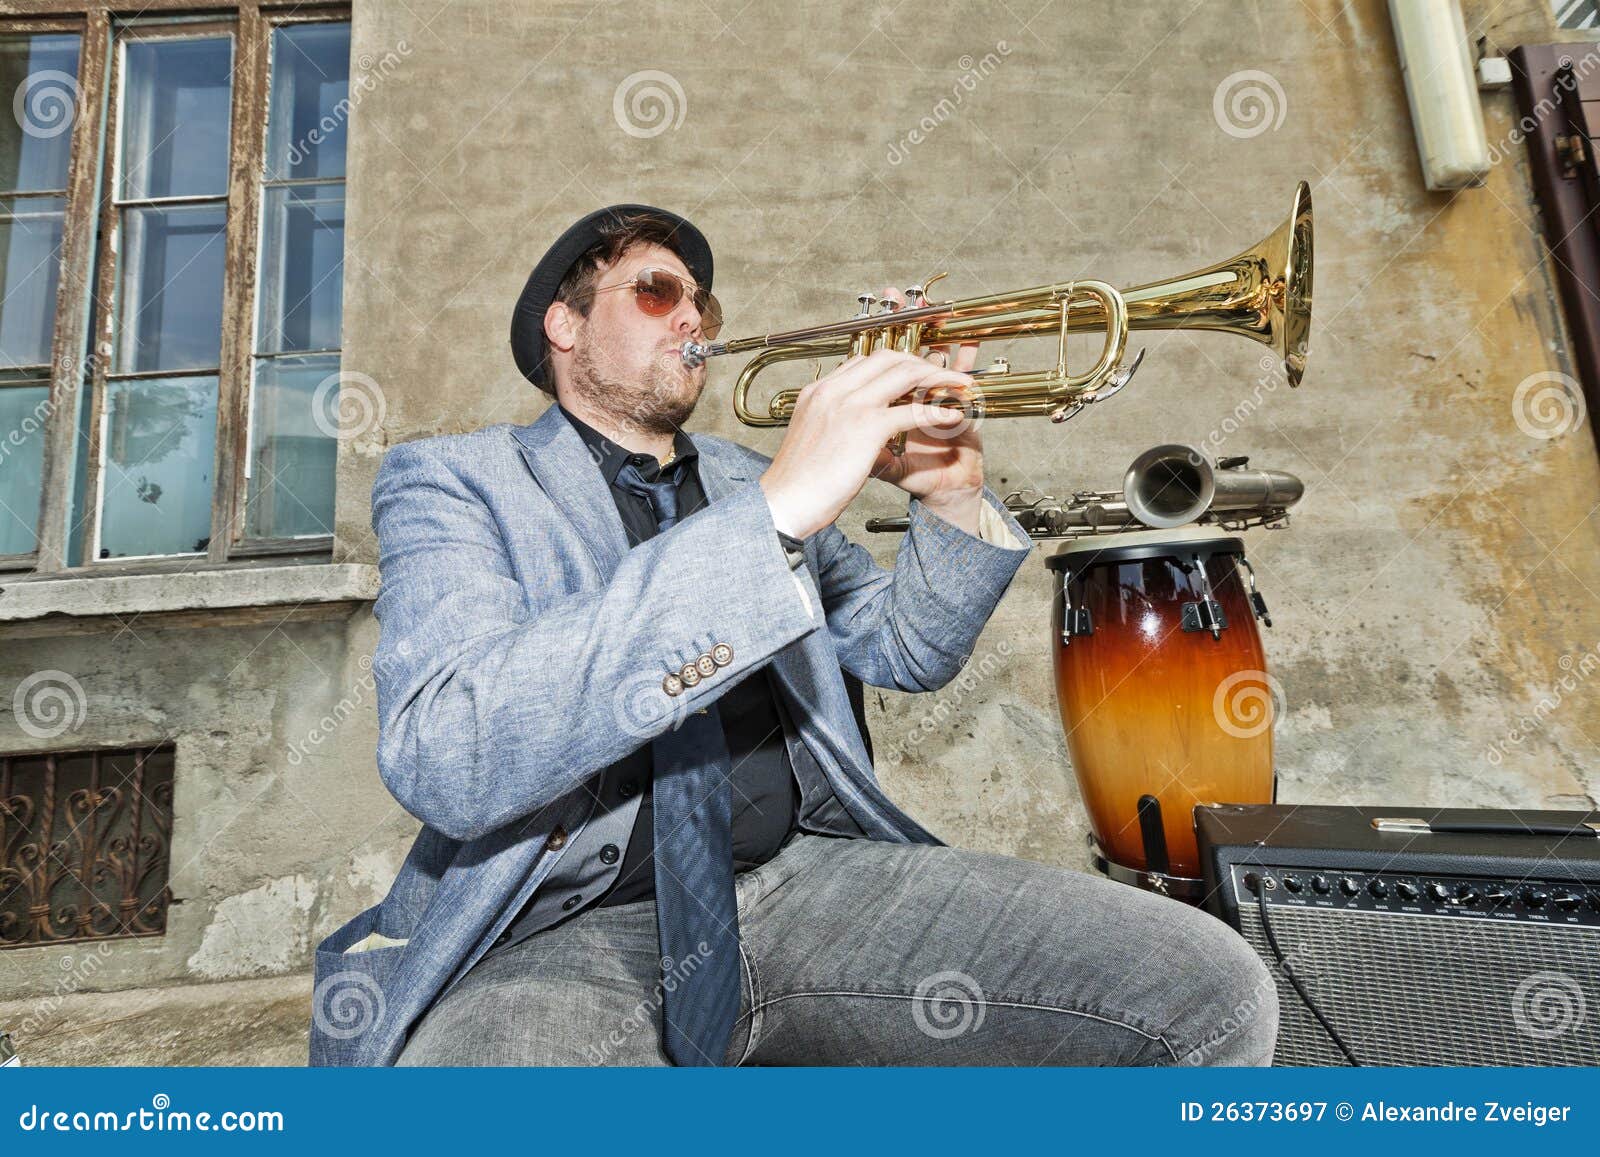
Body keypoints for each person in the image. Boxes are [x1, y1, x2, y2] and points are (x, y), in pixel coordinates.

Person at [308, 203, 1279, 1067]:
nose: (692, 317)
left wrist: (952, 495)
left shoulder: (747, 476)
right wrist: (771, 519)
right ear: (563, 325)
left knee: (1211, 989)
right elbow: (449, 755)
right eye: (656, 291)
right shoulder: (458, 478)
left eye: (701, 302)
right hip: (563, 921)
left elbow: (907, 650)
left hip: (806, 878)